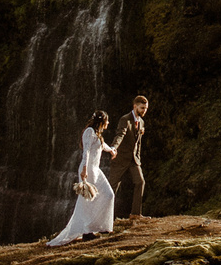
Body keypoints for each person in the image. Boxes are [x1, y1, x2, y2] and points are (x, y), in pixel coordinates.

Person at [45, 111, 117, 247]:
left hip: (96, 170)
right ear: (102, 122)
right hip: (88, 170)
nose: (108, 123)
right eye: (107, 121)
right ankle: (87, 232)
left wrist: (112, 150)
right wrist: (84, 169)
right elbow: (87, 151)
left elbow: (102, 146)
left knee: (108, 195)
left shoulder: (97, 134)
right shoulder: (89, 132)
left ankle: (99, 226)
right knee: (87, 202)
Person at [107, 94, 150, 223]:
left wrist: (138, 158)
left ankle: (135, 213)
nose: (144, 111)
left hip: (134, 160)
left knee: (140, 182)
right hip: (120, 158)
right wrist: (113, 148)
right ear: (135, 106)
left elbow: (139, 143)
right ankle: (103, 217)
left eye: (146, 108)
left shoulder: (141, 122)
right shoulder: (125, 119)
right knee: (111, 188)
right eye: (142, 108)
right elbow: (120, 134)